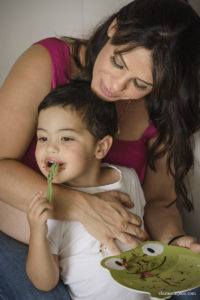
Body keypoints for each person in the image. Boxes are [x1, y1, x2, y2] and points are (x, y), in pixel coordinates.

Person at [0, 0, 200, 299]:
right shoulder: (50, 61)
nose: (115, 85)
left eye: (141, 83)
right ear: (114, 27)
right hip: (27, 242)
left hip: (111, 257)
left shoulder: (163, 110)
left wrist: (173, 242)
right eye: (118, 62)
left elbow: (159, 201)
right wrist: (82, 207)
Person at [26, 81, 149, 300]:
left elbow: (143, 235)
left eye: (66, 138)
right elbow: (44, 283)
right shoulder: (52, 203)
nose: (50, 148)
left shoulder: (127, 178)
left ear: (101, 147)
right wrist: (37, 232)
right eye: (43, 137)